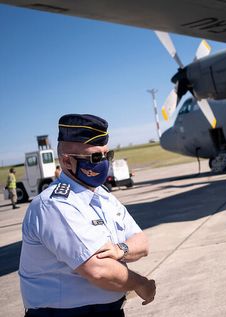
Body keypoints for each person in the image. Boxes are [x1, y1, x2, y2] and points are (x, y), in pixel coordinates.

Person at [19, 114, 156, 317]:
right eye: (95, 158)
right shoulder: (54, 205)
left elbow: (142, 242)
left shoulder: (102, 195)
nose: (104, 163)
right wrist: (141, 283)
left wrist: (120, 250)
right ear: (67, 161)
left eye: (107, 155)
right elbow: (98, 270)